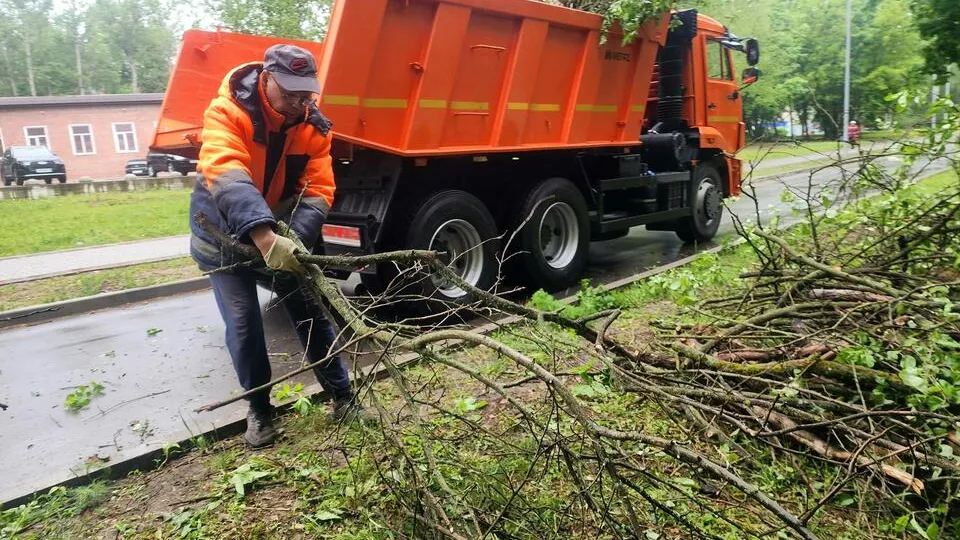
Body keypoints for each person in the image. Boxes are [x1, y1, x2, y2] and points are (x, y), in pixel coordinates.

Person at [188, 44, 363, 448]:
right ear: (266, 80)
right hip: (224, 239)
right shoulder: (227, 112)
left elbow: (318, 191)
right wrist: (263, 234)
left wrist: (292, 242)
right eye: (290, 94)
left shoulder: (313, 126)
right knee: (244, 325)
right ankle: (260, 412)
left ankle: (343, 397)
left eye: (306, 94)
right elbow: (228, 173)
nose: (299, 104)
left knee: (310, 312)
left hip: (277, 235)